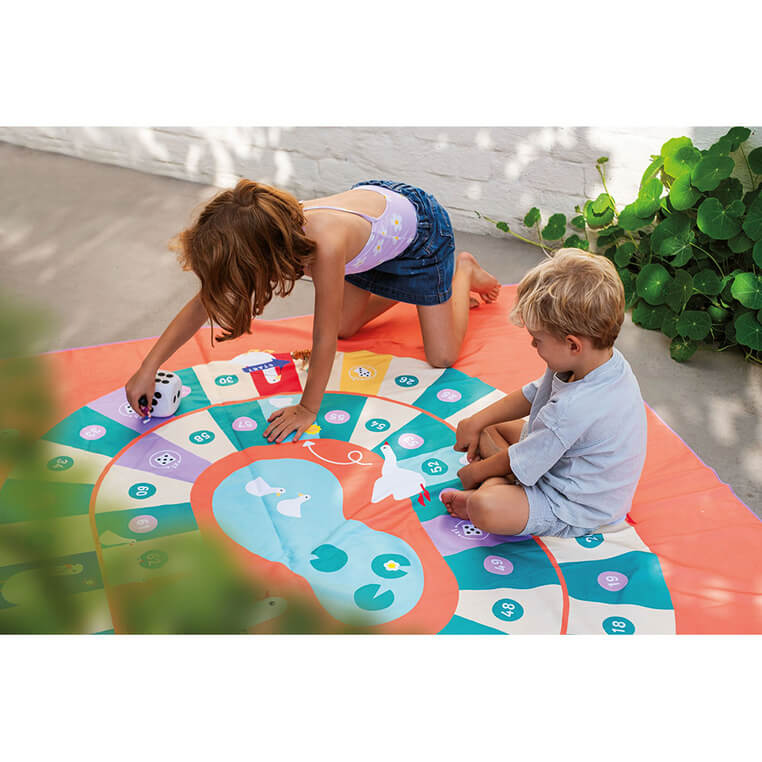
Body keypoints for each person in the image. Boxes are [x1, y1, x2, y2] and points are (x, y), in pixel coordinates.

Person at [125, 179, 500, 442]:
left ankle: (460, 272)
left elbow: (321, 339)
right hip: (373, 242)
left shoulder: (326, 247)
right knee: (345, 327)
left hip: (420, 235)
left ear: (262, 255)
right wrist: (148, 368)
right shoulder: (276, 232)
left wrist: (307, 408)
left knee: (441, 356)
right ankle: (417, 291)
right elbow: (204, 301)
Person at [441, 248, 647, 538]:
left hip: (573, 504)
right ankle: (504, 479)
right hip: (559, 457)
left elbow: (527, 452)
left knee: (485, 506)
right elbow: (533, 394)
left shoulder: (575, 406)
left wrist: (476, 473)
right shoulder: (594, 361)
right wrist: (476, 421)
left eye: (537, 340)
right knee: (489, 426)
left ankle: (497, 486)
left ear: (573, 344)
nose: (532, 346)